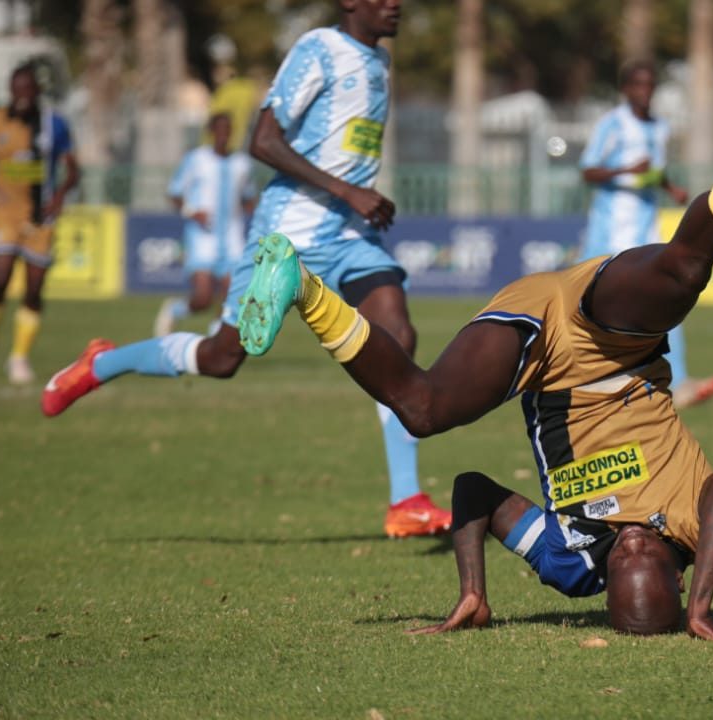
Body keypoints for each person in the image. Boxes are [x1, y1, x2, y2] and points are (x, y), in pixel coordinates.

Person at [236, 113, 713, 640]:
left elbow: (475, 493)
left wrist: (473, 592)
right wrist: (703, 610)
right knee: (684, 272)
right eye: (649, 558)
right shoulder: (690, 529)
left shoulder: (572, 563)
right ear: (680, 578)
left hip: (541, 346)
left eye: (622, 563)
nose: (634, 545)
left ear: (607, 584)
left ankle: (303, 288)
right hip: (615, 339)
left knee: (422, 410)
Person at [41, 0, 451, 537]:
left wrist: (355, 197)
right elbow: (263, 140)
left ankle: (407, 500)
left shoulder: (379, 61)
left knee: (398, 336)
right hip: (291, 232)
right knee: (221, 356)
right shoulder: (318, 50)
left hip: (352, 234)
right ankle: (102, 364)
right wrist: (347, 189)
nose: (394, 4)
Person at [579, 60, 713, 410]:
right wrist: (627, 169)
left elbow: (654, 172)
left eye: (650, 85)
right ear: (626, 88)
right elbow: (588, 171)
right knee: (589, 307)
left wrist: (671, 188)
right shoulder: (612, 124)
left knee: (668, 296)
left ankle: (679, 380)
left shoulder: (659, 127)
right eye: (638, 85)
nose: (645, 92)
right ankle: (586, 379)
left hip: (646, 226)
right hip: (611, 229)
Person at [0, 62, 80, 384]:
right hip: (6, 212)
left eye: (27, 90)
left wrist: (60, 197)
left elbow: (73, 168)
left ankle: (19, 358)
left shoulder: (53, 124)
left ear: (37, 91)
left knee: (34, 288)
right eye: (16, 90)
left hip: (41, 217)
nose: (21, 96)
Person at [154, 112, 257, 337]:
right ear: (211, 132)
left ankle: (215, 341)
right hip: (202, 238)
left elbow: (248, 197)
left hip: (232, 238)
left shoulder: (241, 163)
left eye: (227, 130)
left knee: (232, 295)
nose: (223, 135)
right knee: (203, 298)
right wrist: (192, 212)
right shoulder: (196, 159)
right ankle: (175, 309)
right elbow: (175, 193)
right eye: (219, 130)